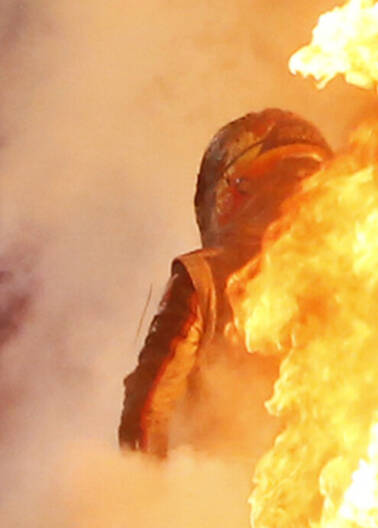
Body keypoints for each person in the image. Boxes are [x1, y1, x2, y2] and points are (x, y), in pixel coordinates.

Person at [119, 108, 333, 458]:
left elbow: (148, 408)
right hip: (254, 482)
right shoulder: (362, 279)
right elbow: (149, 409)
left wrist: (143, 484)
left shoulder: (201, 277)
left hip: (281, 482)